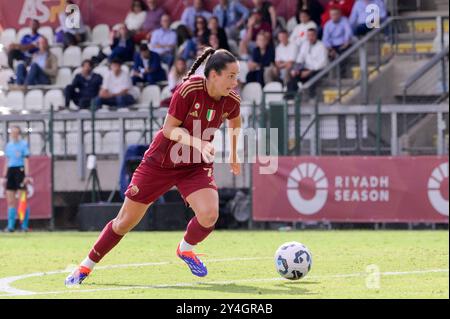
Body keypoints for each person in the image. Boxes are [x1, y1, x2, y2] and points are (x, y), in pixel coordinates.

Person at [65, 48, 242, 285]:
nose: (235, 81)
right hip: (160, 162)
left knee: (210, 215)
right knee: (124, 222)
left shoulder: (231, 100)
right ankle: (86, 266)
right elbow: (169, 129)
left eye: (236, 76)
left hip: (194, 165)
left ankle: (185, 248)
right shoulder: (189, 89)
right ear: (213, 75)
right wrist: (198, 142)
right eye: (230, 76)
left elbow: (235, 121)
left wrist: (233, 153)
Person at [1, 126, 32, 232]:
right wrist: (4, 176)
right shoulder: (8, 146)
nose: (14, 134)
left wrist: (27, 175)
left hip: (20, 171)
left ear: (19, 134)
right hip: (11, 172)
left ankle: (24, 225)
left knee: (22, 199)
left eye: (16, 132)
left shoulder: (23, 145)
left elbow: (26, 160)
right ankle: (10, 226)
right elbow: (7, 161)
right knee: (10, 201)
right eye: (12, 132)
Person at [287, 28, 328, 93]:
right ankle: (291, 97)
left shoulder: (321, 46)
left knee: (312, 77)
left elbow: (322, 63)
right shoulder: (305, 44)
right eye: (308, 35)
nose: (310, 37)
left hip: (318, 70)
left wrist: (309, 71)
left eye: (312, 35)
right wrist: (296, 69)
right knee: (293, 74)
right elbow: (300, 58)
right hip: (307, 69)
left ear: (316, 36)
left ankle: (312, 98)